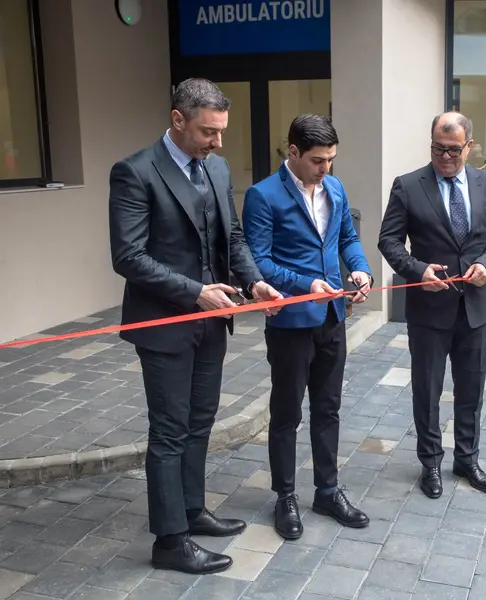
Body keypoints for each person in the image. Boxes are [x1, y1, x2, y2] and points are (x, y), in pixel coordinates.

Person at [109, 78, 283, 575]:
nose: (218, 142)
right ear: (178, 119)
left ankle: (191, 509)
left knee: (199, 423)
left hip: (213, 321)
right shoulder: (135, 172)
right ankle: (170, 541)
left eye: (222, 131)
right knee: (168, 431)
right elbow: (128, 256)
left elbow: (231, 235)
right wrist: (193, 291)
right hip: (164, 326)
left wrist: (255, 284)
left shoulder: (218, 167)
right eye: (209, 131)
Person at [242, 114, 372, 540]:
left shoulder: (334, 187)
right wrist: (305, 284)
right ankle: (285, 497)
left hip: (333, 317)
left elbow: (347, 239)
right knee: (286, 413)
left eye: (331, 159)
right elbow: (260, 261)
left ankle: (328, 491)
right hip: (291, 323)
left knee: (328, 409)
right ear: (293, 152)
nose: (326, 168)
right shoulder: (262, 196)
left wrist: (360, 271)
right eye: (318, 160)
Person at [377, 112, 486, 498]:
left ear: (469, 146)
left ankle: (467, 460)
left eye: (454, 150)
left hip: (474, 307)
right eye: (438, 149)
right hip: (428, 311)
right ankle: (430, 464)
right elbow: (388, 241)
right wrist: (418, 270)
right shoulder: (407, 186)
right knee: (428, 389)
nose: (445, 157)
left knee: (471, 390)